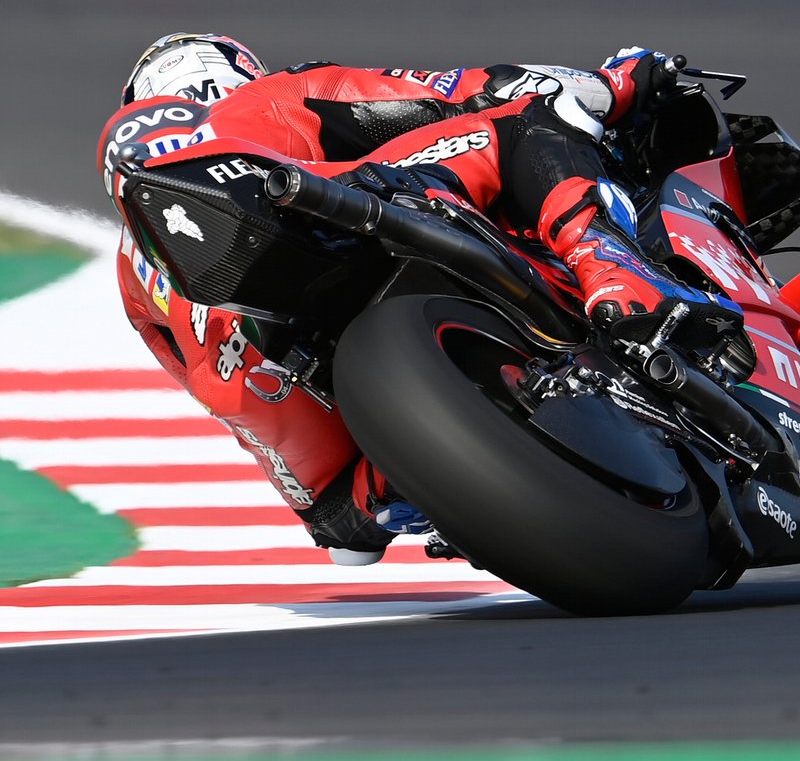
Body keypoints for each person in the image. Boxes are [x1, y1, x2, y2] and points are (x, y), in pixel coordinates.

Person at [99, 32, 742, 565]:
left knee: (337, 523)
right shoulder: (272, 96)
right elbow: (458, 91)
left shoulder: (135, 274)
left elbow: (202, 385)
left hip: (309, 441)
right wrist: (619, 82)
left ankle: (385, 492)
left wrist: (329, 495)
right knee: (529, 120)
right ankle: (618, 279)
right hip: (338, 221)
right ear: (234, 74)